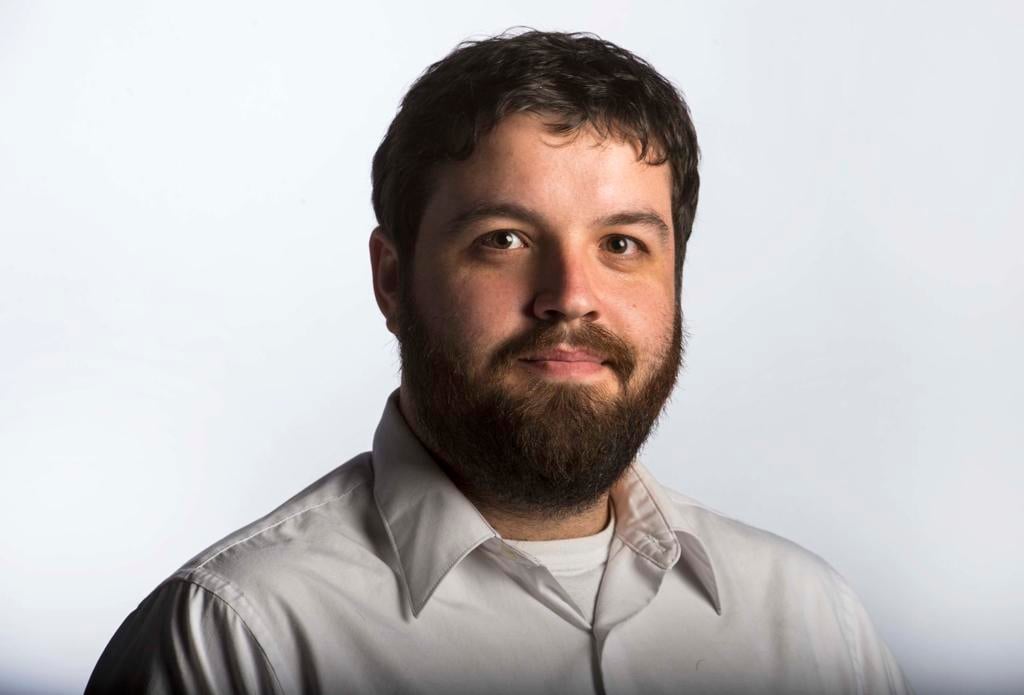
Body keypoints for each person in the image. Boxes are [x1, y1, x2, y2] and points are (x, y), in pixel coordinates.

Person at [86, 30, 912, 694]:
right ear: (392, 280)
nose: (569, 296)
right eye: (504, 240)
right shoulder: (235, 643)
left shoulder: (813, 625)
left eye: (622, 244)